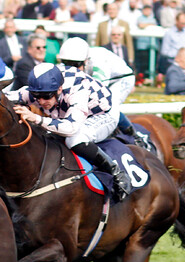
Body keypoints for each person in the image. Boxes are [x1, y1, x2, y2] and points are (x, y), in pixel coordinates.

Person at [5, 63, 130, 199]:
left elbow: (71, 128)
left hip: (101, 114)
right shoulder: (43, 87)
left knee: (75, 139)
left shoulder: (77, 91)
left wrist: (36, 118)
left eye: (46, 96)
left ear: (59, 89)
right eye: (36, 95)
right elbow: (6, 97)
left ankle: (116, 172)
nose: (41, 101)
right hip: (70, 113)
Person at [57, 37, 149, 149]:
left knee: (108, 105)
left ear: (86, 61)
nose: (71, 68)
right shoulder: (75, 59)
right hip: (105, 78)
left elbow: (99, 96)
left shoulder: (98, 64)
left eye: (76, 65)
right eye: (66, 63)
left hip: (121, 79)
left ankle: (135, 136)